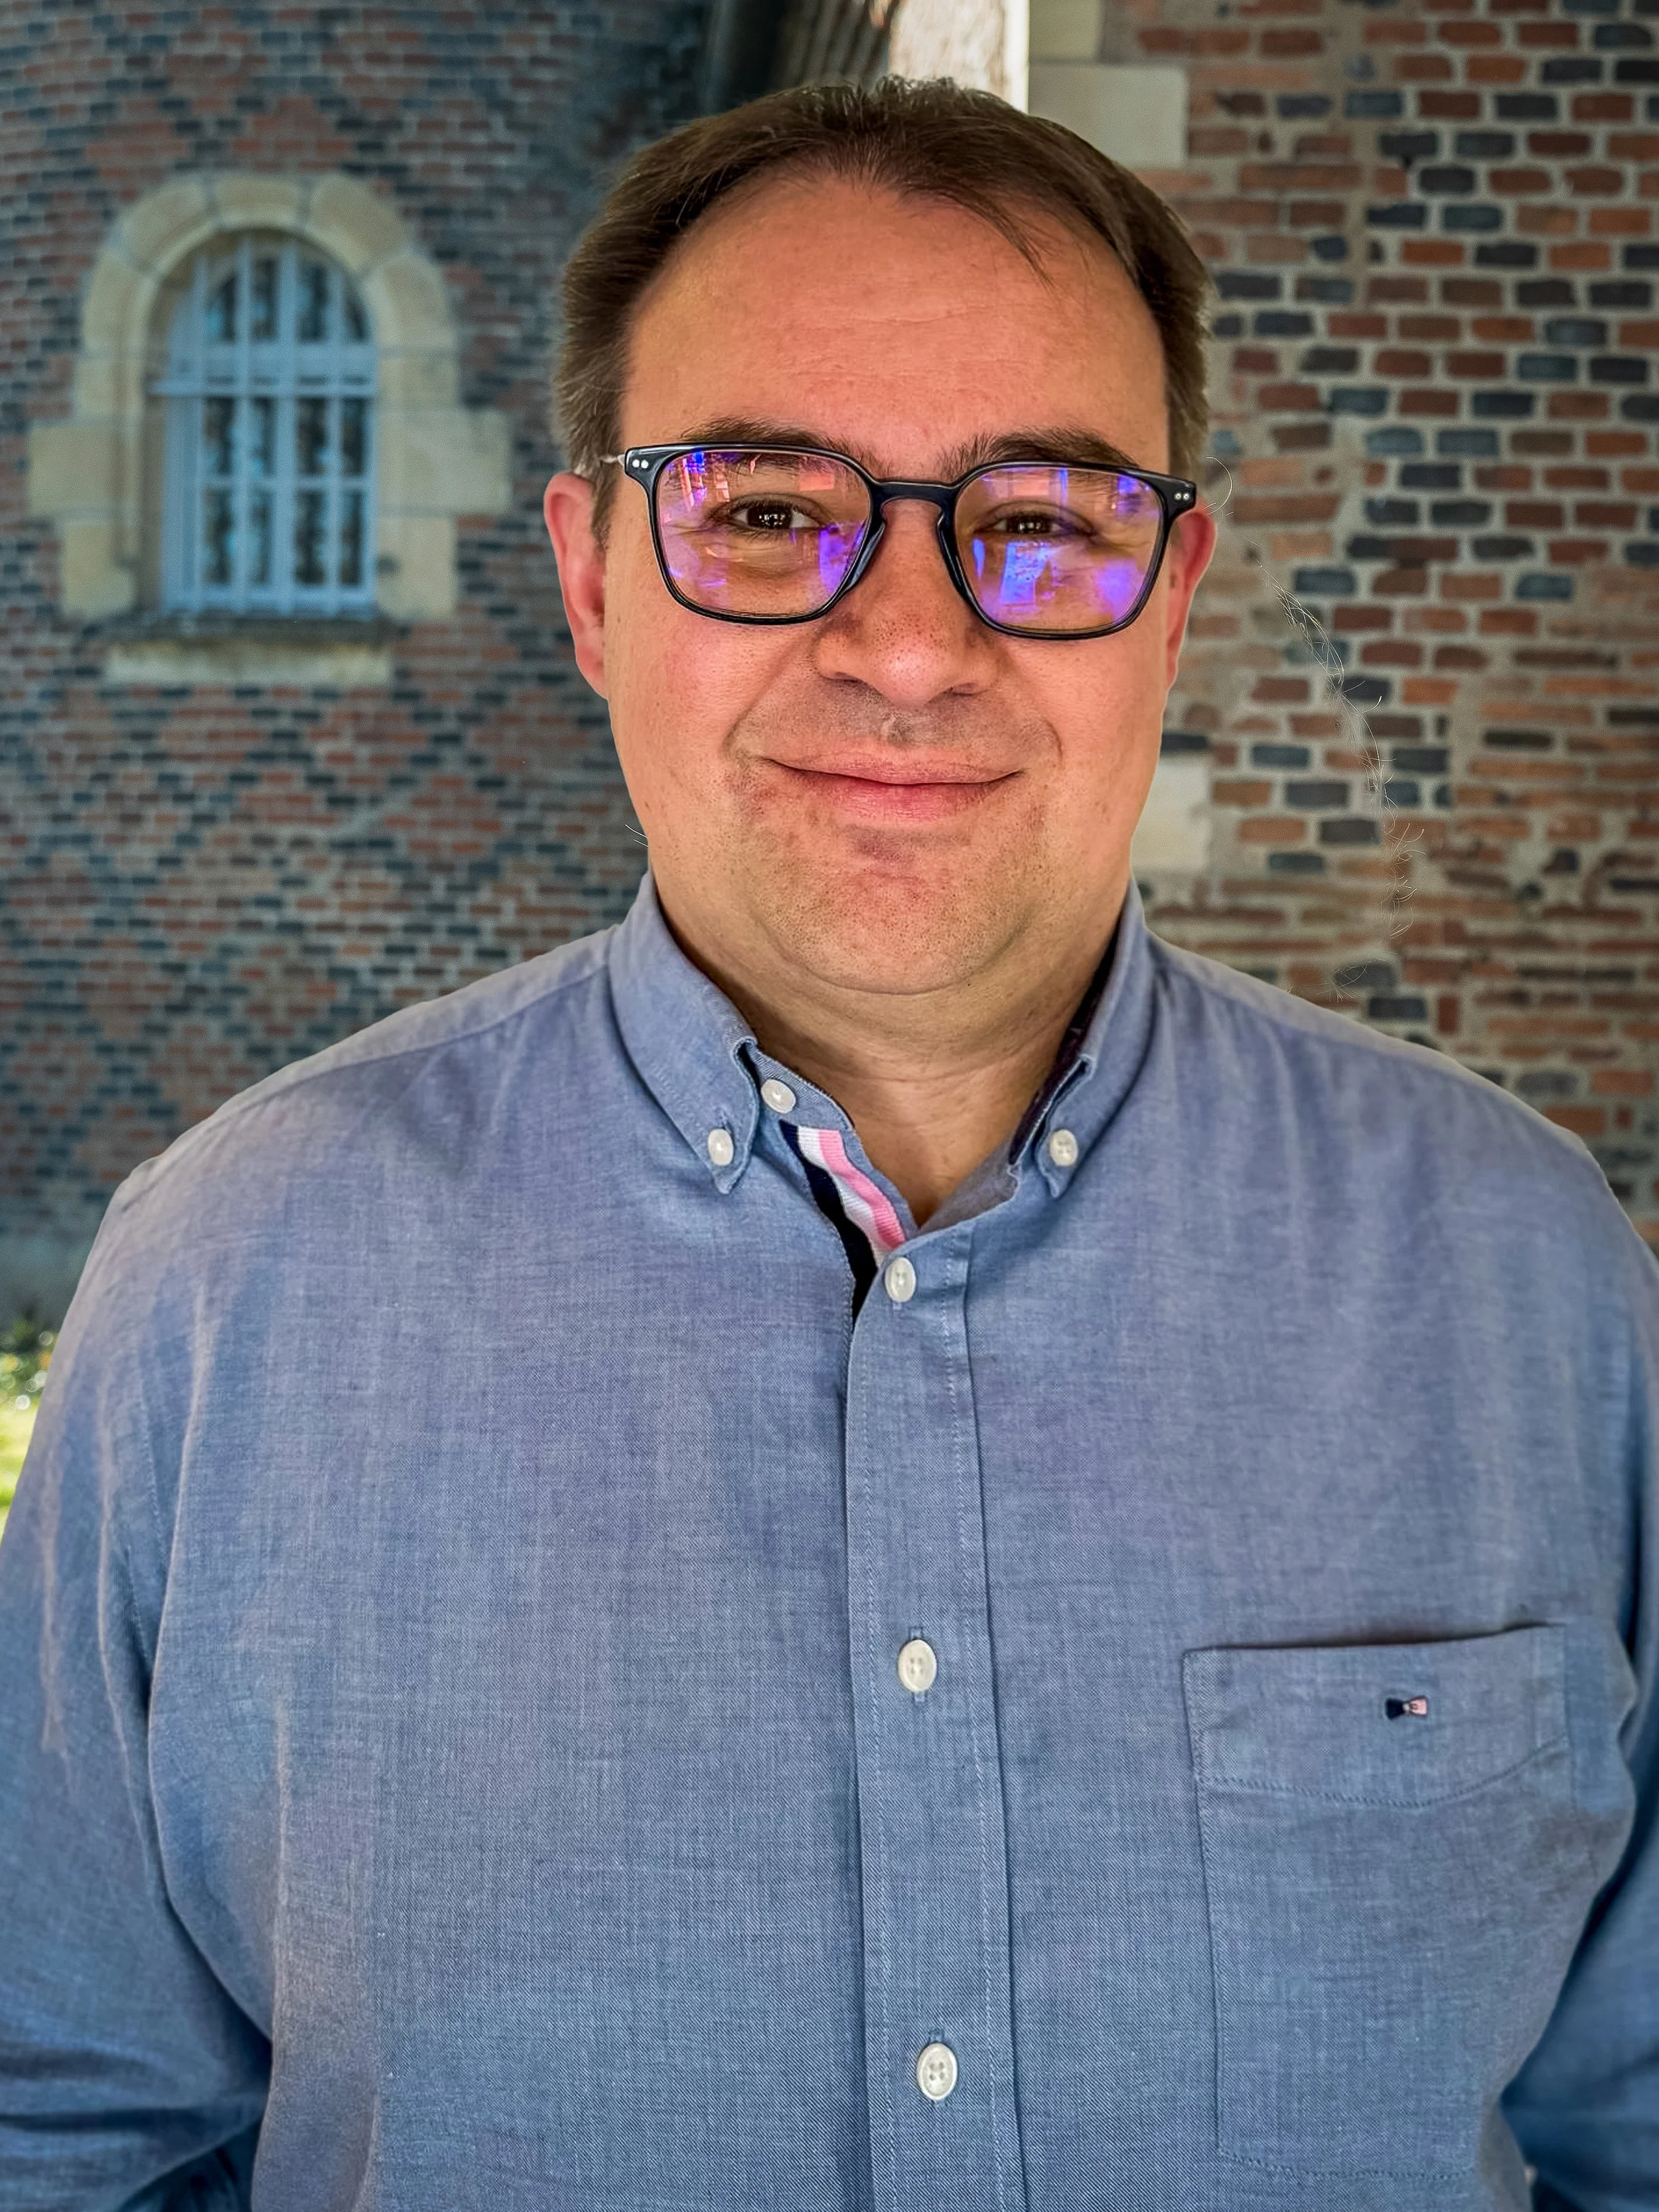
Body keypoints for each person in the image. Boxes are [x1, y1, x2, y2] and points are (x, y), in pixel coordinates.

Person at [0, 75, 1653, 2212]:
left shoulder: (1529, 1285)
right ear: (594, 582)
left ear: (1170, 597)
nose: (904, 638)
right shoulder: (229, 1287)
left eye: (1043, 516)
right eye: (767, 512)